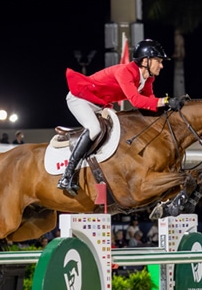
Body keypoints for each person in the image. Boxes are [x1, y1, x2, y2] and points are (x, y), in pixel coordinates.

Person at [58, 39, 183, 196]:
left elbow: (149, 103)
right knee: (94, 128)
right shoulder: (125, 71)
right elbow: (136, 100)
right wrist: (165, 100)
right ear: (145, 61)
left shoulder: (148, 78)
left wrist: (169, 108)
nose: (161, 65)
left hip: (100, 104)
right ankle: (67, 175)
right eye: (158, 61)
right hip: (80, 98)